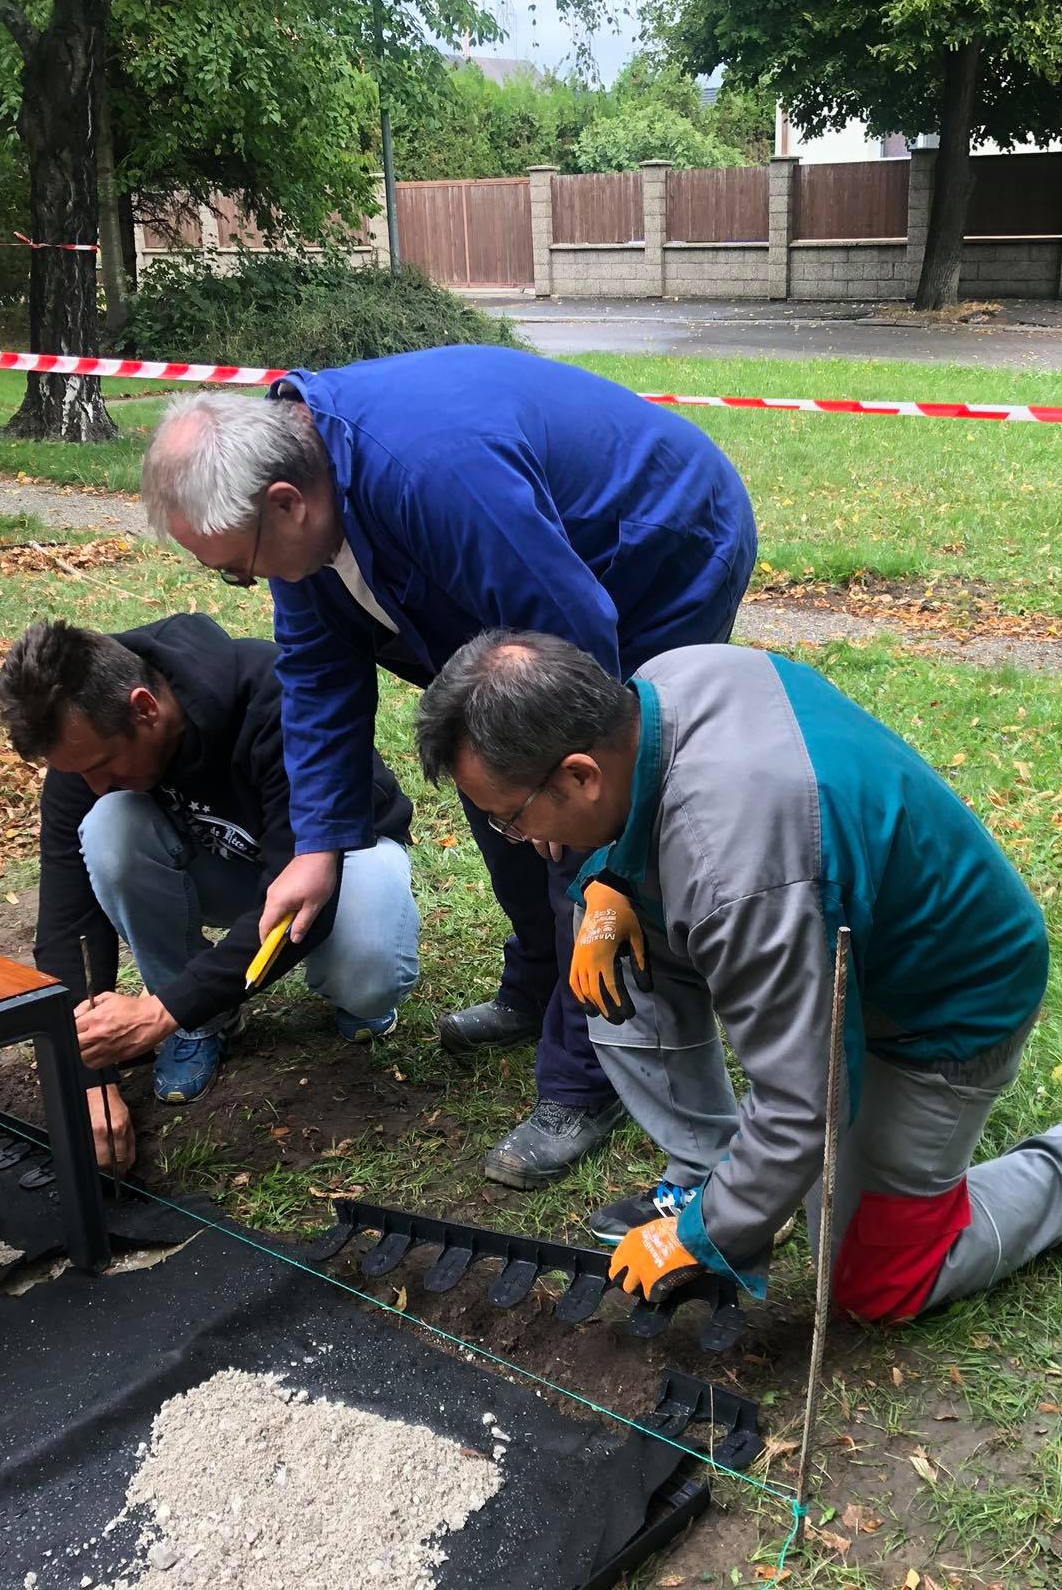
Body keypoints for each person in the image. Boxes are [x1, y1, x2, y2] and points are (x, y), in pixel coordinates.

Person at [415, 632, 1062, 1324]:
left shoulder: (739, 867)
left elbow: (807, 1100)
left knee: (877, 1278)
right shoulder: (667, 683)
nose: (515, 837)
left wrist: (705, 1240)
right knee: (616, 949)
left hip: (944, 1003)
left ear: (582, 775)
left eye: (511, 816)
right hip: (830, 920)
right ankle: (718, 1178)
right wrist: (611, 880)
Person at [139, 345, 756, 1191]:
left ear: (286, 503)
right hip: (531, 569)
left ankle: (590, 1075)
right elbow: (317, 677)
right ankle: (539, 983)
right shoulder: (304, 504)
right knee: (490, 770)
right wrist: (316, 845)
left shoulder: (432, 474)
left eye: (236, 569)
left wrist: (557, 795)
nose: (244, 581)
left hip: (659, 545)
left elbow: (569, 638)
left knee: (578, 815)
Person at [0, 615, 418, 1174]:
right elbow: (66, 921)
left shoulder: (276, 698)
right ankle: (205, 1020)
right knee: (107, 828)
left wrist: (162, 1011)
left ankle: (228, 1003)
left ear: (145, 708)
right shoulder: (85, 743)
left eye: (101, 766)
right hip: (226, 869)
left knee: (367, 980)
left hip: (339, 860)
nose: (93, 785)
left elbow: (304, 903)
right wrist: (88, 1077)